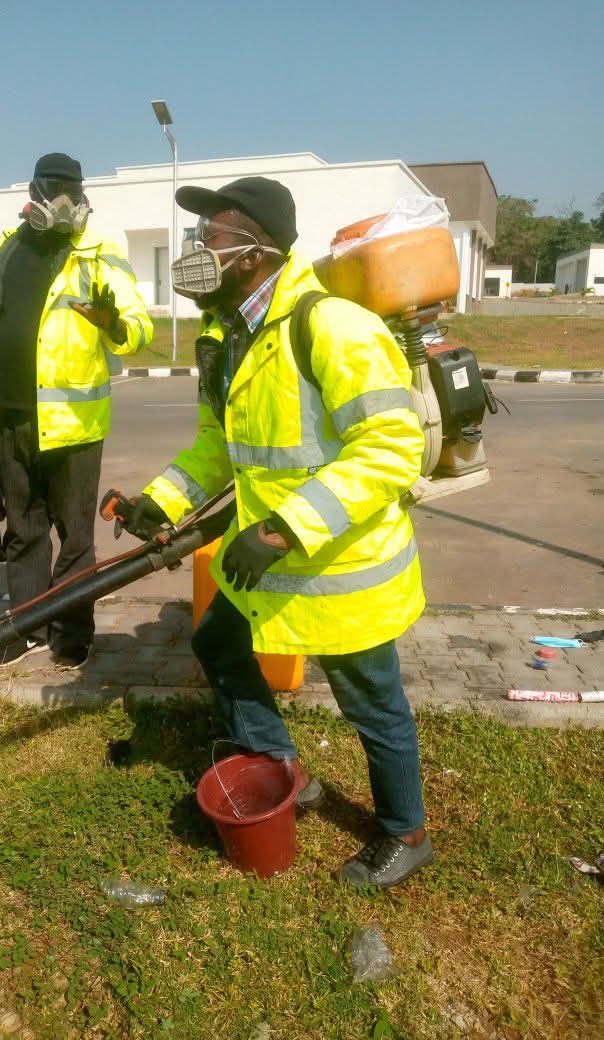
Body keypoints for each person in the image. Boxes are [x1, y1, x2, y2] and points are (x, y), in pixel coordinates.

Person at [120, 176, 433, 888]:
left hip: (336, 564)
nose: (199, 251)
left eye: (213, 237)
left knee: (372, 702)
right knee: (217, 641)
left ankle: (405, 832)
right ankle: (284, 767)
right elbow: (217, 447)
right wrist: (162, 501)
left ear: (257, 248)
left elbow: (390, 445)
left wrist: (287, 529)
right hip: (268, 558)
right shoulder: (226, 336)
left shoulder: (331, 325)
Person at [0, 152, 152, 669]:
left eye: (74, 189)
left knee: (74, 535)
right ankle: (27, 627)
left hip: (73, 426)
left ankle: (71, 633)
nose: (66, 201)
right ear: (35, 192)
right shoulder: (5, 246)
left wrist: (115, 323)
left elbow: (138, 326)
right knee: (22, 529)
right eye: (55, 189)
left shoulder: (97, 247)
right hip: (9, 419)